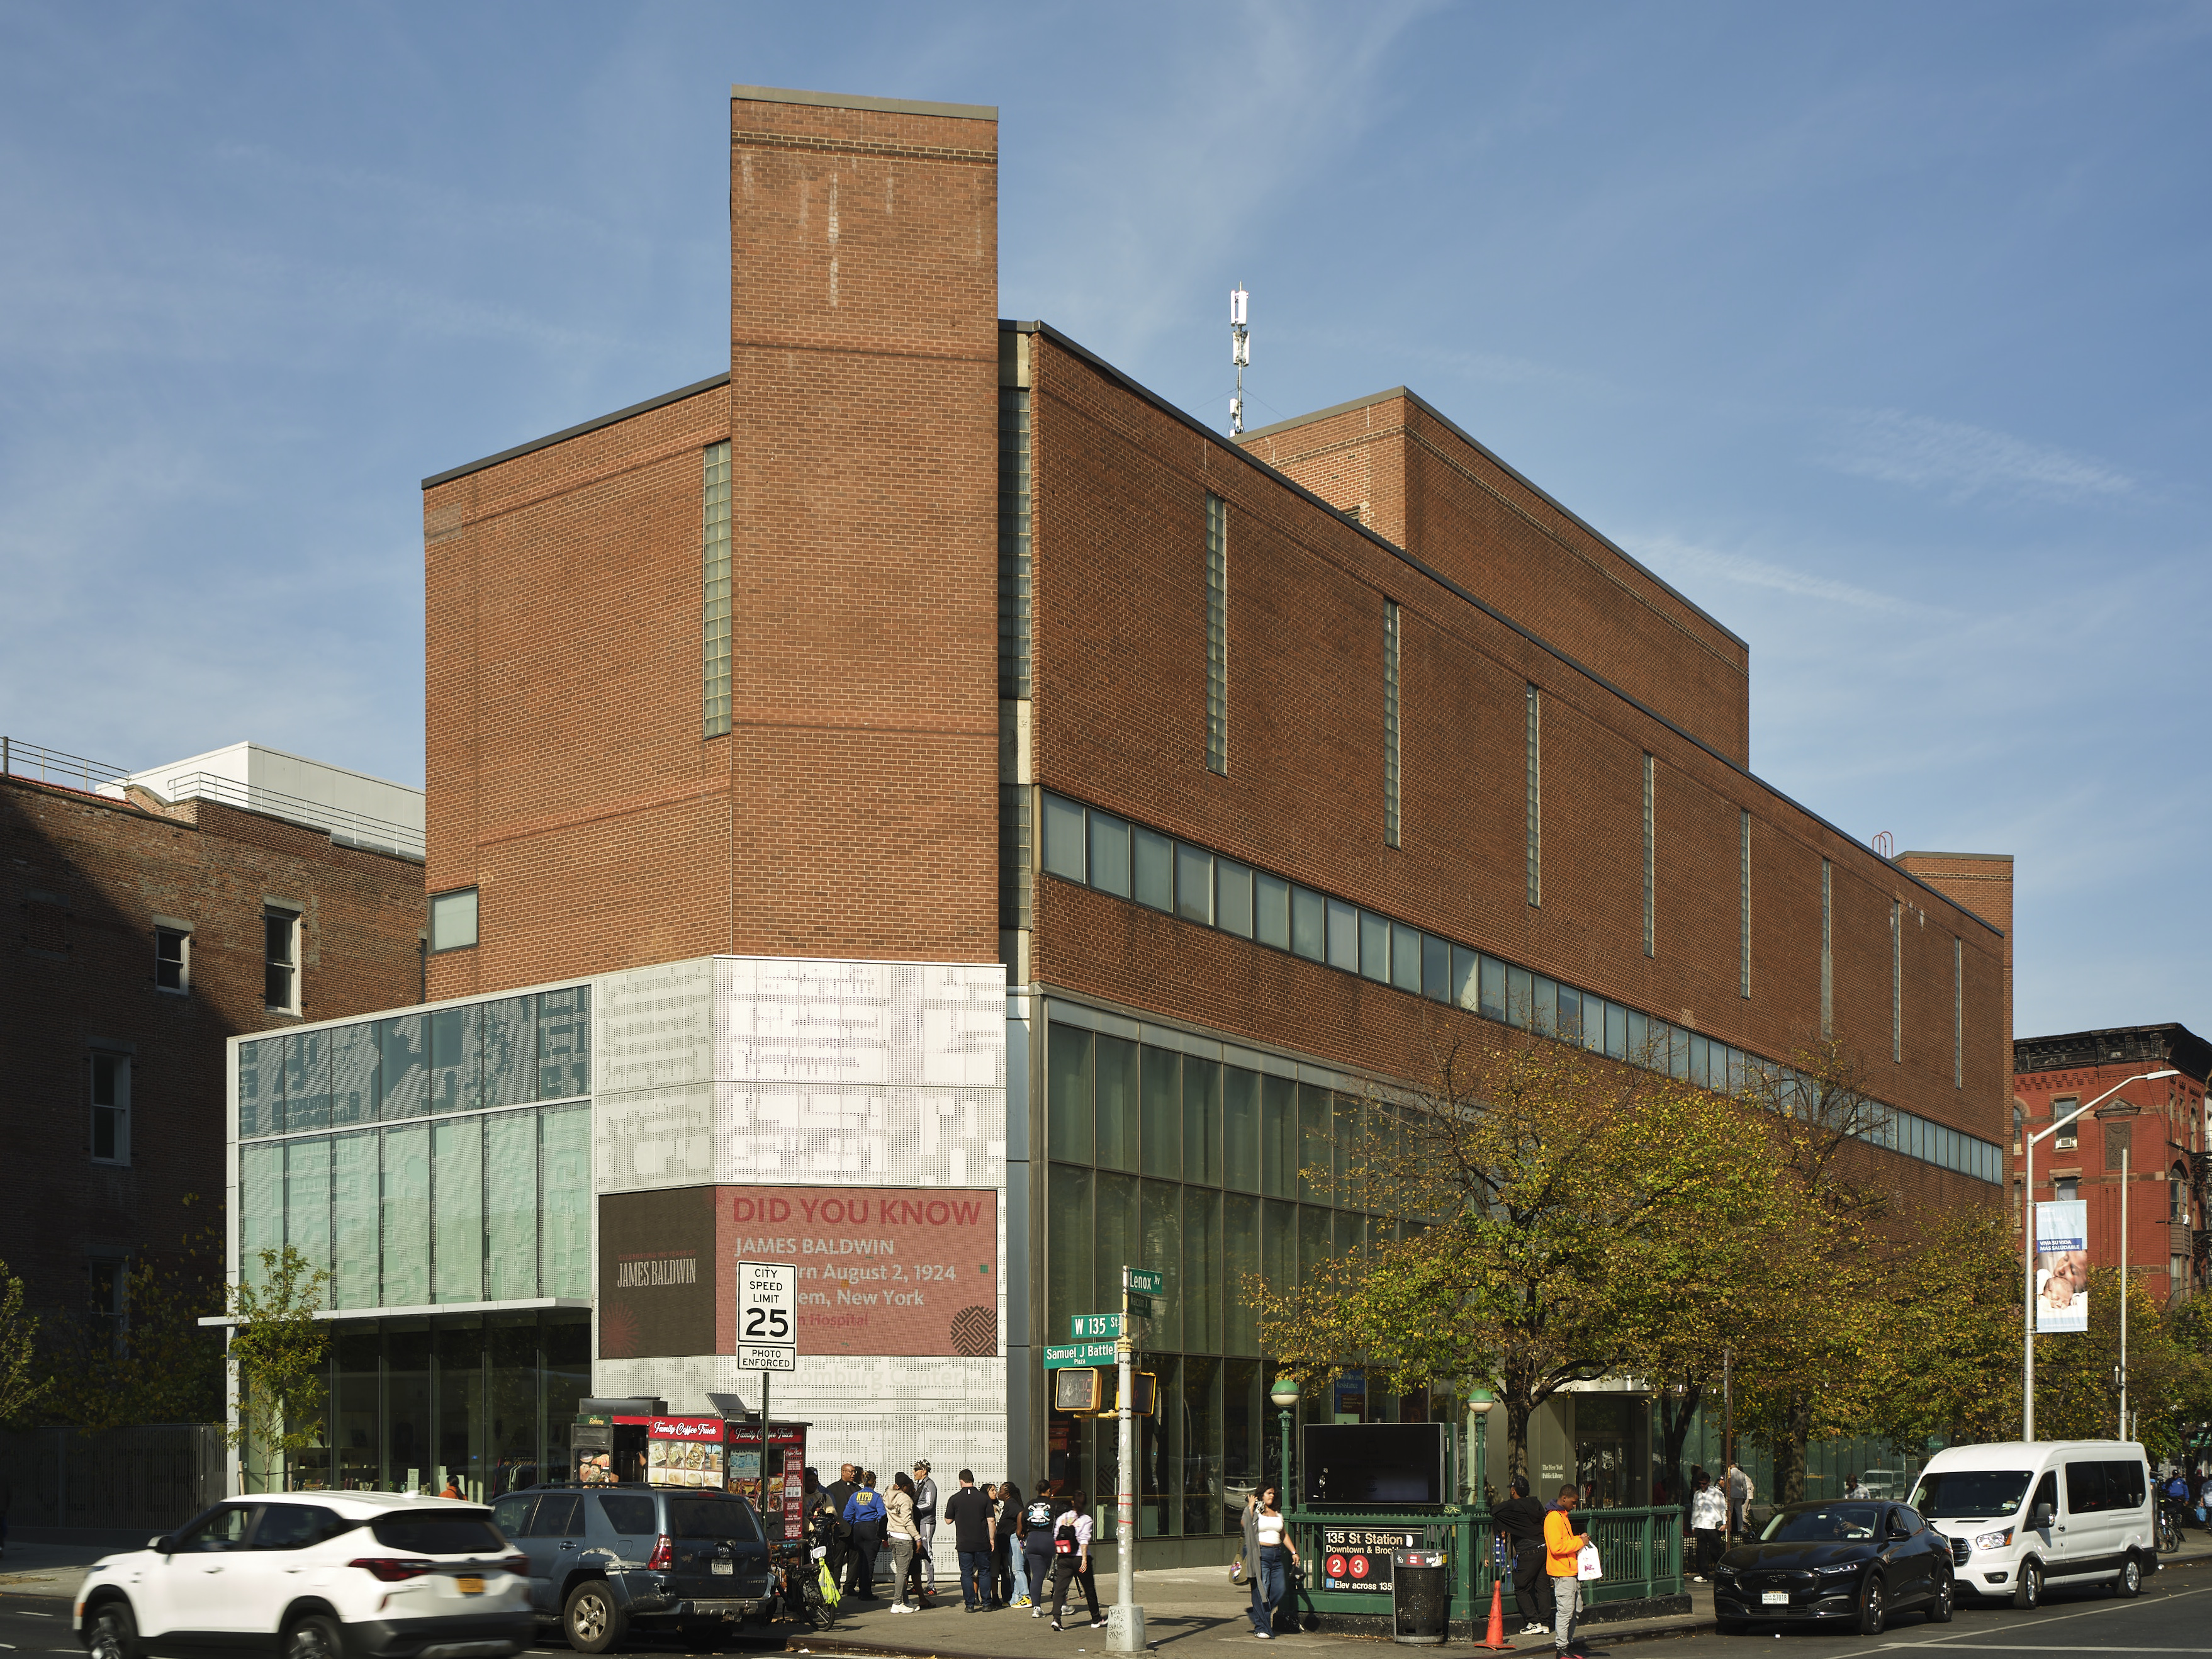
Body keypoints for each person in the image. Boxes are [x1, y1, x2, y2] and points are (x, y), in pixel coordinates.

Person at [1491, 1475, 1554, 1636]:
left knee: (1521, 1588)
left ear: (1513, 1491)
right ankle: (1546, 1623)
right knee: (1543, 1587)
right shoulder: (1536, 1504)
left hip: (1528, 1551)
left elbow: (1495, 1511)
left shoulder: (1512, 1506)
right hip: (1543, 1548)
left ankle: (1534, 1622)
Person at [1048, 1486, 1103, 1631]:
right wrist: (1084, 1559)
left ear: (1072, 1502)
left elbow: (1055, 1537)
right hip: (1079, 1558)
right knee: (1089, 1588)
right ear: (1085, 1504)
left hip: (1064, 1558)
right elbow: (1084, 1540)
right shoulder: (1087, 1520)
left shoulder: (1062, 1518)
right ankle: (1096, 1619)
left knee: (1060, 1589)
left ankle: (1056, 1619)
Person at [943, 1468, 999, 1611]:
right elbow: (991, 1520)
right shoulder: (984, 1498)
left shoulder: (954, 1499)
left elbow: (948, 1520)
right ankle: (987, 1603)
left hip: (964, 1543)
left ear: (961, 1481)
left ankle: (970, 1605)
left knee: (966, 1574)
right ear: (973, 1480)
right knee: (984, 1572)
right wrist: (992, 1540)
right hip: (982, 1542)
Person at [1247, 1485, 1299, 1639]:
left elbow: (1283, 1534)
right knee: (1263, 1590)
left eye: (1274, 1494)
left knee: (1279, 1589)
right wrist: (1251, 1506)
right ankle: (1261, 1628)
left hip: (1276, 1556)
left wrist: (1294, 1552)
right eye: (1269, 1493)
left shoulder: (1277, 1513)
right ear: (1261, 1495)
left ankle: (1256, 1612)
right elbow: (1245, 1525)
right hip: (1261, 1555)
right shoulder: (1256, 1511)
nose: (1272, 1496)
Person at [1543, 1485, 1589, 1656]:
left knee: (1575, 1611)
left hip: (1569, 1571)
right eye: (1574, 1502)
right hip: (1563, 1573)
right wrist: (1580, 1542)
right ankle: (1562, 1649)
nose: (1575, 1505)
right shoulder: (1554, 1518)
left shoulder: (1561, 1516)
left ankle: (1565, 1648)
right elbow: (1556, 1547)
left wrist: (1579, 1539)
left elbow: (1564, 1542)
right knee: (1566, 1612)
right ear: (1564, 1499)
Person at [842, 1470, 887, 1600]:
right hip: (871, 1529)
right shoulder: (877, 1497)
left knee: (862, 1560)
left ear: (863, 1482)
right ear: (875, 1482)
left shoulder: (854, 1496)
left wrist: (855, 1524)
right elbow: (882, 1515)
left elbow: (846, 1515)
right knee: (869, 1562)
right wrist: (878, 1527)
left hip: (858, 1529)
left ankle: (862, 1591)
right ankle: (866, 1592)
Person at [885, 1472, 923, 1612]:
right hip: (904, 1537)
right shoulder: (905, 1500)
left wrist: (891, 1487)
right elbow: (907, 1521)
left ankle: (905, 1601)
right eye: (911, 1486)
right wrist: (917, 1538)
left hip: (892, 1536)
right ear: (904, 1486)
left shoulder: (888, 1496)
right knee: (902, 1573)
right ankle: (897, 1603)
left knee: (901, 1571)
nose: (912, 1489)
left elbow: (888, 1490)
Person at [1023, 1482, 1060, 1619]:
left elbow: (1022, 1517)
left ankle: (1036, 1608)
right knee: (1058, 1573)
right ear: (1049, 1491)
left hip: (1032, 1539)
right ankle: (1060, 1605)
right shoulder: (1054, 1505)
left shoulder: (1029, 1504)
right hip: (1048, 1539)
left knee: (1037, 1576)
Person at [823, 1463, 858, 1591]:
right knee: (837, 1561)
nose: (853, 1474)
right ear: (843, 1472)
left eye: (854, 1472)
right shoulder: (832, 1489)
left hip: (855, 1530)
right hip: (840, 1531)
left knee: (854, 1559)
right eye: (850, 1472)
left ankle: (849, 1587)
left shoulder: (857, 1488)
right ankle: (835, 1587)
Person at [1688, 1473, 1726, 1581]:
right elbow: (1695, 1510)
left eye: (1704, 1484)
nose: (1702, 1486)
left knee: (1715, 1551)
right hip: (1700, 1524)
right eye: (1700, 1484)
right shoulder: (1697, 1494)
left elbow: (1723, 1509)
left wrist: (1725, 1523)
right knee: (1701, 1551)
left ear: (1709, 1482)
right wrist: (1693, 1524)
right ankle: (1703, 1574)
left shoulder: (1716, 1494)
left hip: (1713, 1525)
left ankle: (1722, 1571)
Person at [996, 1478, 1026, 1606]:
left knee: (1018, 1570)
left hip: (1014, 1539)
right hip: (1010, 1540)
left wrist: (1019, 1531)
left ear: (1007, 1493)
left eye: (1001, 1490)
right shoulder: (1008, 1504)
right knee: (1013, 1571)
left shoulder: (1012, 1504)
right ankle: (1016, 1597)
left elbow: (1021, 1513)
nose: (998, 1493)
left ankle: (1026, 1596)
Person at [912, 1460, 940, 1595]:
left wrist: (912, 1509)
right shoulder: (917, 1485)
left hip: (927, 1522)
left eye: (916, 1469)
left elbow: (929, 1504)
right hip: (917, 1522)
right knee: (917, 1553)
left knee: (927, 1551)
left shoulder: (930, 1485)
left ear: (924, 1471)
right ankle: (917, 1584)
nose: (914, 1472)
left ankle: (931, 1586)